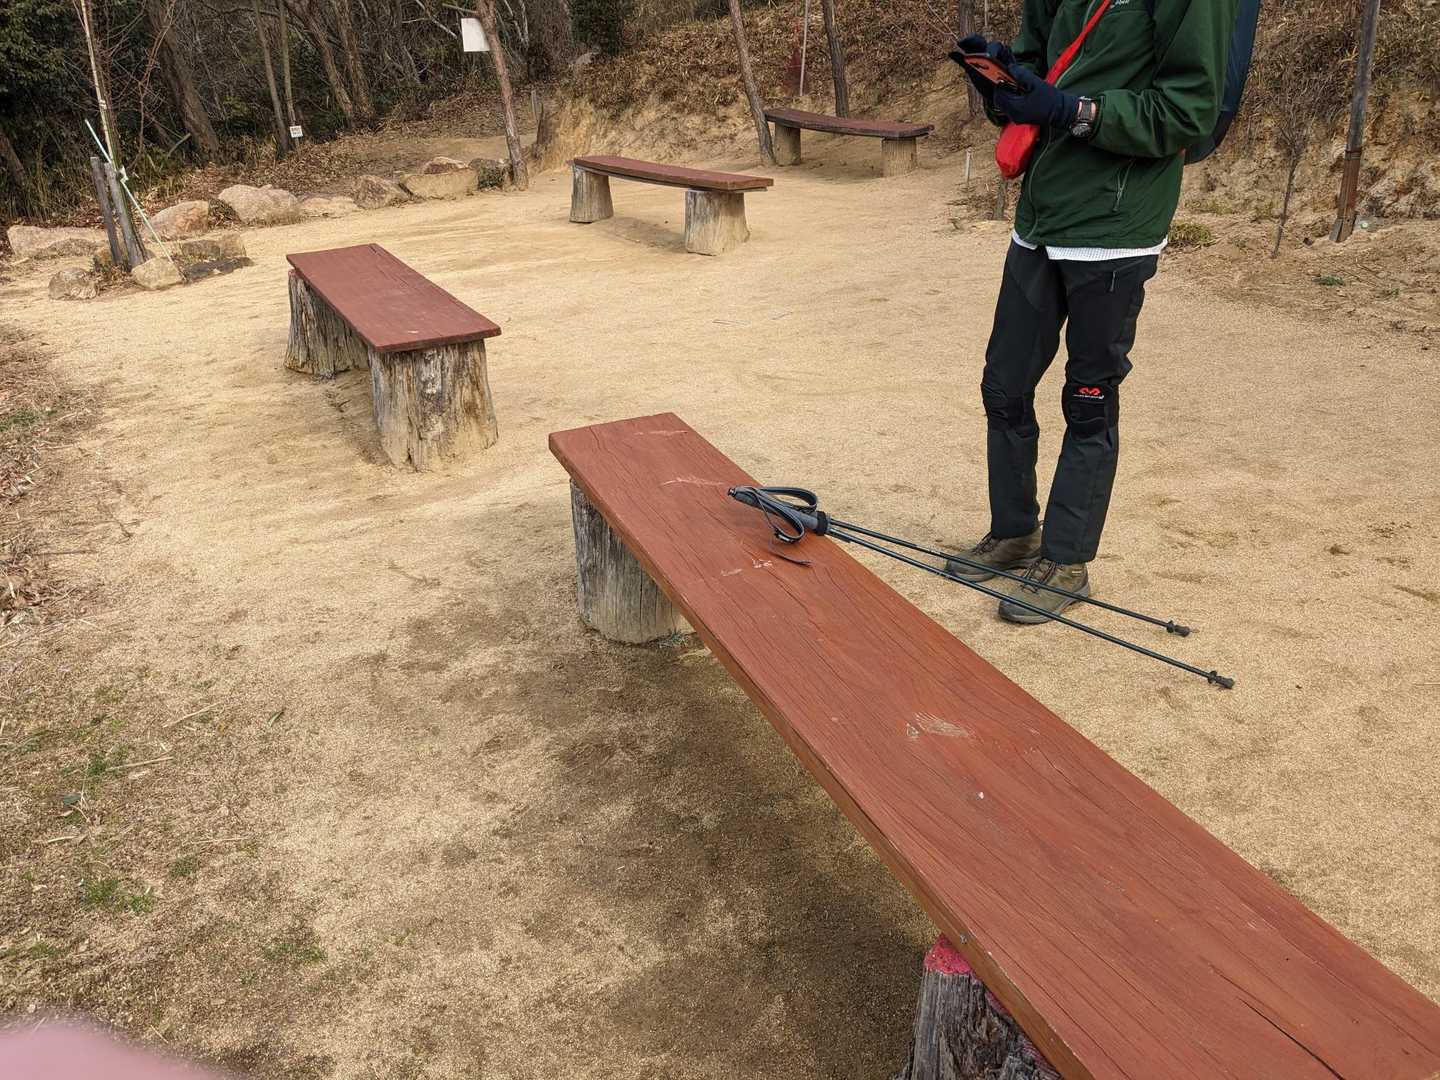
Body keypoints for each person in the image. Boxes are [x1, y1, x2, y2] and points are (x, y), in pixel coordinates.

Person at [949, 0, 1235, 623]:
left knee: (1088, 399)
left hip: (1116, 226)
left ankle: (1067, 560)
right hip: (1041, 217)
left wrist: (1072, 110)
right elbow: (1037, 65)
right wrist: (1002, 84)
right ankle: (1015, 532)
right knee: (1003, 385)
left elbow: (1188, 110)